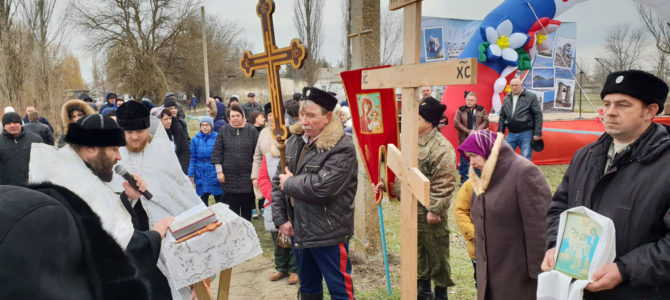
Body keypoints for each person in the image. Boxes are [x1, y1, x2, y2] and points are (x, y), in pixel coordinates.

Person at [542, 70, 670, 298]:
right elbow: (558, 210)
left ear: (650, 111)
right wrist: (555, 245)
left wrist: (625, 270)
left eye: (622, 105)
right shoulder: (584, 156)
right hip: (580, 291)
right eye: (606, 103)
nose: (609, 112)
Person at [21, 114, 175, 300]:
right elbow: (121, 249)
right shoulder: (82, 184)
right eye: (114, 149)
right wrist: (157, 233)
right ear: (91, 147)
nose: (119, 157)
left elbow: (96, 221)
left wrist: (128, 198)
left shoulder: (63, 166)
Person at [110, 101, 203, 299]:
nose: (134, 137)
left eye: (139, 131)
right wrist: (129, 198)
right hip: (135, 245)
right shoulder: (114, 159)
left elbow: (183, 195)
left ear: (147, 128)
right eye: (128, 132)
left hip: (170, 238)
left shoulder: (162, 154)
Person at [272, 87, 357, 300]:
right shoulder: (294, 141)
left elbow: (323, 187)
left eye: (311, 115)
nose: (305, 120)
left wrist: (290, 182)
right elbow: (277, 181)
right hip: (298, 229)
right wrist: (282, 219)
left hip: (328, 232)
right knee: (308, 288)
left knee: (340, 290)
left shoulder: (342, 146)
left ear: (328, 117)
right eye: (302, 115)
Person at [373, 96, 457, 300]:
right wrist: (390, 186)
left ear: (428, 122)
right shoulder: (411, 142)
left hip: (429, 212)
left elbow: (445, 182)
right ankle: (422, 292)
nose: (410, 121)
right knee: (418, 254)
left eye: (416, 117)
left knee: (436, 255)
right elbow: (406, 173)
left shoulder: (441, 148)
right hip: (411, 211)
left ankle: (440, 294)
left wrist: (435, 210)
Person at [457, 130, 550, 300]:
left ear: (489, 151)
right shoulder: (479, 178)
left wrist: (540, 275)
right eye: (468, 156)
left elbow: (540, 228)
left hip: (517, 274)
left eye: (474, 155)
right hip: (489, 273)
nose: (471, 162)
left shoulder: (524, 172)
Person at [257, 140, 299, 285]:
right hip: (274, 201)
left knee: (294, 237)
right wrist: (273, 196)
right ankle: (281, 267)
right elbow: (262, 178)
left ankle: (294, 269)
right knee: (278, 239)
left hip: (292, 200)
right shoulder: (268, 157)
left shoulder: (294, 154)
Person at [211, 104, 258, 220]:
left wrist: (256, 175)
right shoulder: (224, 130)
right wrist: (219, 172)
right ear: (229, 118)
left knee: (246, 213)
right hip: (229, 178)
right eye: (232, 116)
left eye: (238, 115)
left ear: (243, 116)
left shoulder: (251, 131)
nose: (235, 118)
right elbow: (217, 152)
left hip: (247, 177)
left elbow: (257, 154)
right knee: (233, 213)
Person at [497, 78, 543, 160]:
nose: (514, 87)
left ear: (521, 86)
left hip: (526, 132)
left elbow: (538, 115)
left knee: (525, 158)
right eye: (512, 85)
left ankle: (525, 173)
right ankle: (510, 173)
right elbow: (502, 117)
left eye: (516, 85)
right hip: (511, 133)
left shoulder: (531, 97)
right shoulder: (506, 98)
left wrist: (537, 133)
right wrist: (500, 132)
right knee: (504, 156)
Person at [454, 91, 489, 183]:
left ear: (475, 101)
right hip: (465, 137)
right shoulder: (460, 109)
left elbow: (486, 121)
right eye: (468, 100)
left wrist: (476, 131)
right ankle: (464, 179)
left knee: (477, 157)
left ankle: (478, 177)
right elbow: (456, 123)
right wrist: (469, 131)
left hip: (477, 137)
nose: (469, 101)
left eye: (471, 100)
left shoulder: (481, 109)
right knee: (464, 159)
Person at [188, 116, 223, 206]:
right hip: (200, 173)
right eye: (203, 125)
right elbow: (193, 157)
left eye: (207, 125)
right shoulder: (195, 140)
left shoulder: (217, 138)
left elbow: (220, 155)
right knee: (203, 202)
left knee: (219, 200)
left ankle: (222, 218)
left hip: (214, 172)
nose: (205, 127)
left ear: (211, 126)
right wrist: (190, 174)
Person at [0, 112, 42, 186]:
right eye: (8, 123)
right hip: (8, 188)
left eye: (15, 122)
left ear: (21, 123)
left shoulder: (35, 138)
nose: (12, 125)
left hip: (33, 186)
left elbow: (43, 161)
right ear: (3, 126)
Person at [454, 178, 477, 286]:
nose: (472, 162)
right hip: (478, 249)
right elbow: (461, 211)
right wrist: (474, 235)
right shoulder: (469, 185)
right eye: (470, 159)